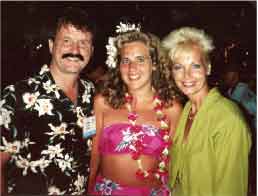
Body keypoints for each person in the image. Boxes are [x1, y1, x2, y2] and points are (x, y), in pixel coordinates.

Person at [0, 7, 96, 195]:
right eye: (66, 41)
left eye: (83, 43)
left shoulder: (92, 94)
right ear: (51, 45)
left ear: (91, 51)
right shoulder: (18, 96)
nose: (75, 50)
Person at [88, 22, 182, 196]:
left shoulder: (172, 109)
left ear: (154, 64)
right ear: (118, 65)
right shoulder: (102, 102)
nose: (132, 68)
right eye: (126, 61)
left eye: (140, 59)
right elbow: (94, 155)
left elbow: (174, 162)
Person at [162, 27, 251, 196]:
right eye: (178, 67)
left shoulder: (228, 120)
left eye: (195, 66)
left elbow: (231, 189)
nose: (186, 75)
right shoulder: (187, 109)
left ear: (208, 68)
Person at [221, 63, 256, 129]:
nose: (225, 77)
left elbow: (231, 107)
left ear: (235, 75)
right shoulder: (231, 90)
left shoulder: (241, 88)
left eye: (228, 73)